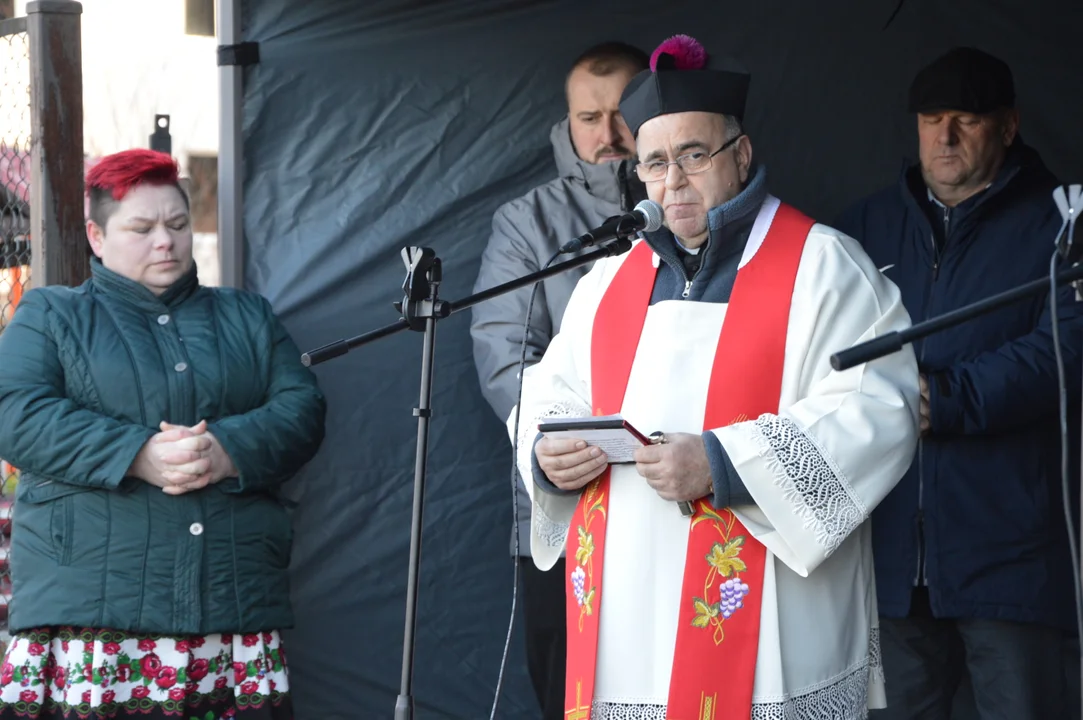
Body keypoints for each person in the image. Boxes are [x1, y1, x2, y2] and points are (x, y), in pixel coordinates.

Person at [511, 33, 921, 720]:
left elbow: (878, 406)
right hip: (627, 619)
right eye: (654, 163)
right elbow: (547, 392)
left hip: (770, 619)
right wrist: (546, 452)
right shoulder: (607, 280)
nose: (672, 181)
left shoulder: (822, 266)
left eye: (693, 155)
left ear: (741, 154)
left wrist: (723, 463)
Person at [0, 149, 327, 720]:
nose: (166, 242)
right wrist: (135, 455)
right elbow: (13, 411)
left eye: (178, 225)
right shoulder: (51, 315)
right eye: (142, 228)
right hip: (94, 616)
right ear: (97, 236)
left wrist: (228, 451)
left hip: (229, 606)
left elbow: (302, 408)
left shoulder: (247, 316)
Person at [835, 46, 1083, 720]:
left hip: (1009, 550)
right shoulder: (860, 229)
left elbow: (1063, 350)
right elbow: (817, 353)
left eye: (966, 120)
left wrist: (941, 398)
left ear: (1007, 125)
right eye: (930, 118)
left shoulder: (1064, 224)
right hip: (887, 556)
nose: (943, 138)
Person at [469, 41, 648, 720]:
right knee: (572, 694)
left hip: (689, 497)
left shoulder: (698, 207)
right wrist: (560, 444)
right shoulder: (527, 223)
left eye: (622, 113)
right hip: (570, 503)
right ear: (564, 124)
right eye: (587, 117)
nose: (606, 135)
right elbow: (505, 361)